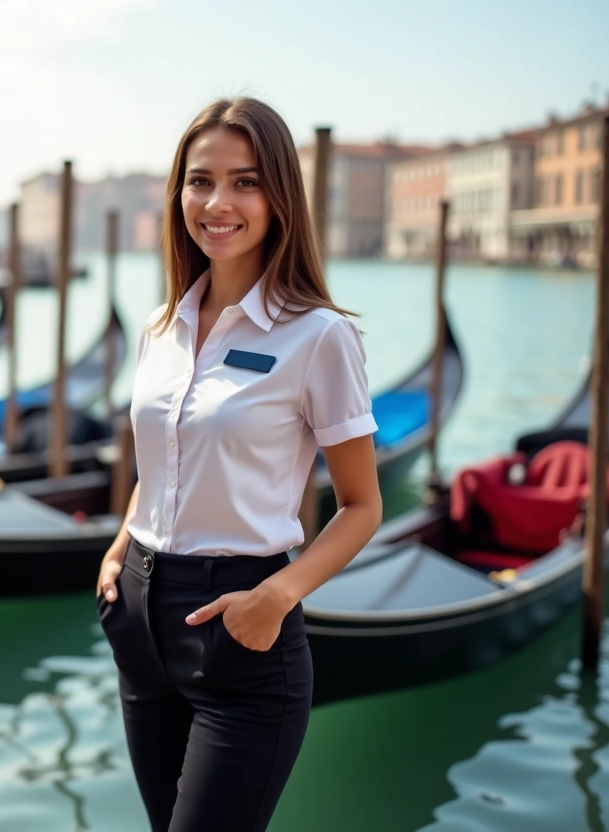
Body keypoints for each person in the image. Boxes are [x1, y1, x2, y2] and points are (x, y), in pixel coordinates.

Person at [95, 97, 383, 832]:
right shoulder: (160, 329)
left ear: (279, 195)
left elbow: (361, 507)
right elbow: (159, 464)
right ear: (178, 193)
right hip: (141, 623)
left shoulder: (319, 336)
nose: (218, 202)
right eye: (201, 181)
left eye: (246, 182)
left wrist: (277, 597)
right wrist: (123, 545)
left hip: (243, 630)